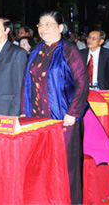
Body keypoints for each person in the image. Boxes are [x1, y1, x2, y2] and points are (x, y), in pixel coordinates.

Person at [21, 11, 88, 204]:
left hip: (63, 118)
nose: (43, 28)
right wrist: (25, 111)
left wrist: (73, 113)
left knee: (67, 166)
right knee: (43, 163)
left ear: (60, 27)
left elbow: (82, 83)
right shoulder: (36, 51)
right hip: (38, 118)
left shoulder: (69, 50)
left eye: (49, 24)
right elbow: (27, 83)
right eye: (40, 24)